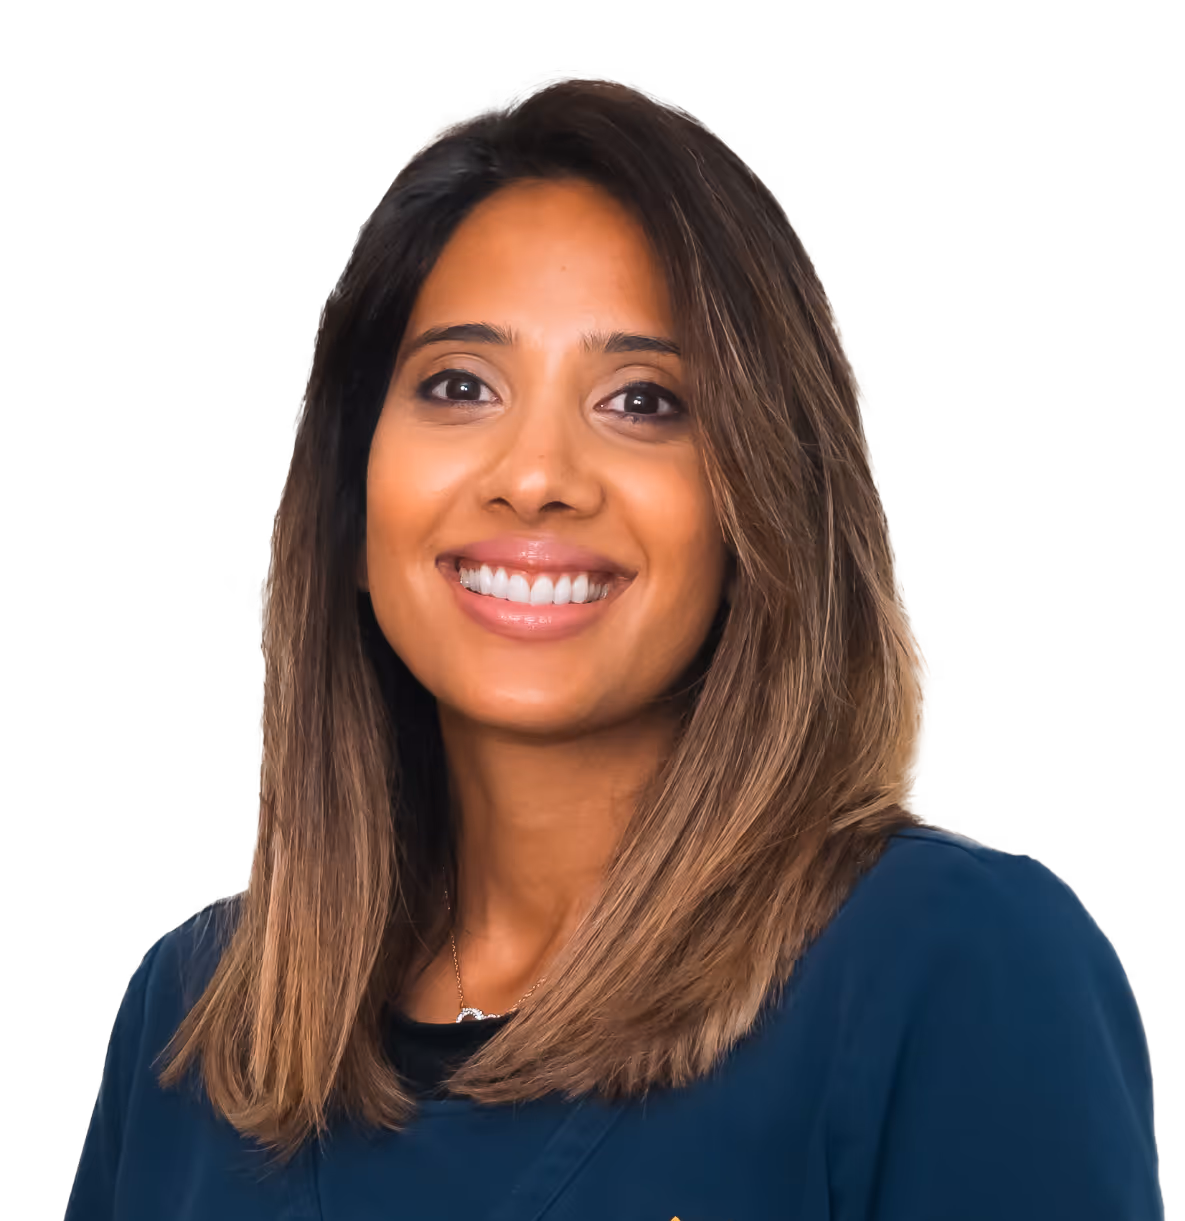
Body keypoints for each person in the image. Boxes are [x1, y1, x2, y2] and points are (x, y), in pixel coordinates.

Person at [65, 69, 1165, 1219]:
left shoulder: (955, 970)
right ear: (348, 497)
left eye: (642, 401)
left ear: (760, 505)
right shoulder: (192, 1020)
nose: (536, 477)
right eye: (458, 384)